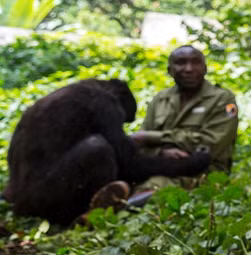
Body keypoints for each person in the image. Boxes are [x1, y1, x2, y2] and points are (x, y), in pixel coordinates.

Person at [89, 45, 238, 210]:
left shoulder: (223, 100)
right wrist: (160, 152)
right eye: (181, 63)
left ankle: (116, 211)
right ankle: (102, 207)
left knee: (156, 187)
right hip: (161, 164)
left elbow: (211, 145)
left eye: (195, 63)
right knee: (116, 177)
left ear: (205, 68)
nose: (188, 69)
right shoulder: (160, 99)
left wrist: (152, 138)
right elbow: (139, 146)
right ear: (170, 70)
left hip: (203, 171)